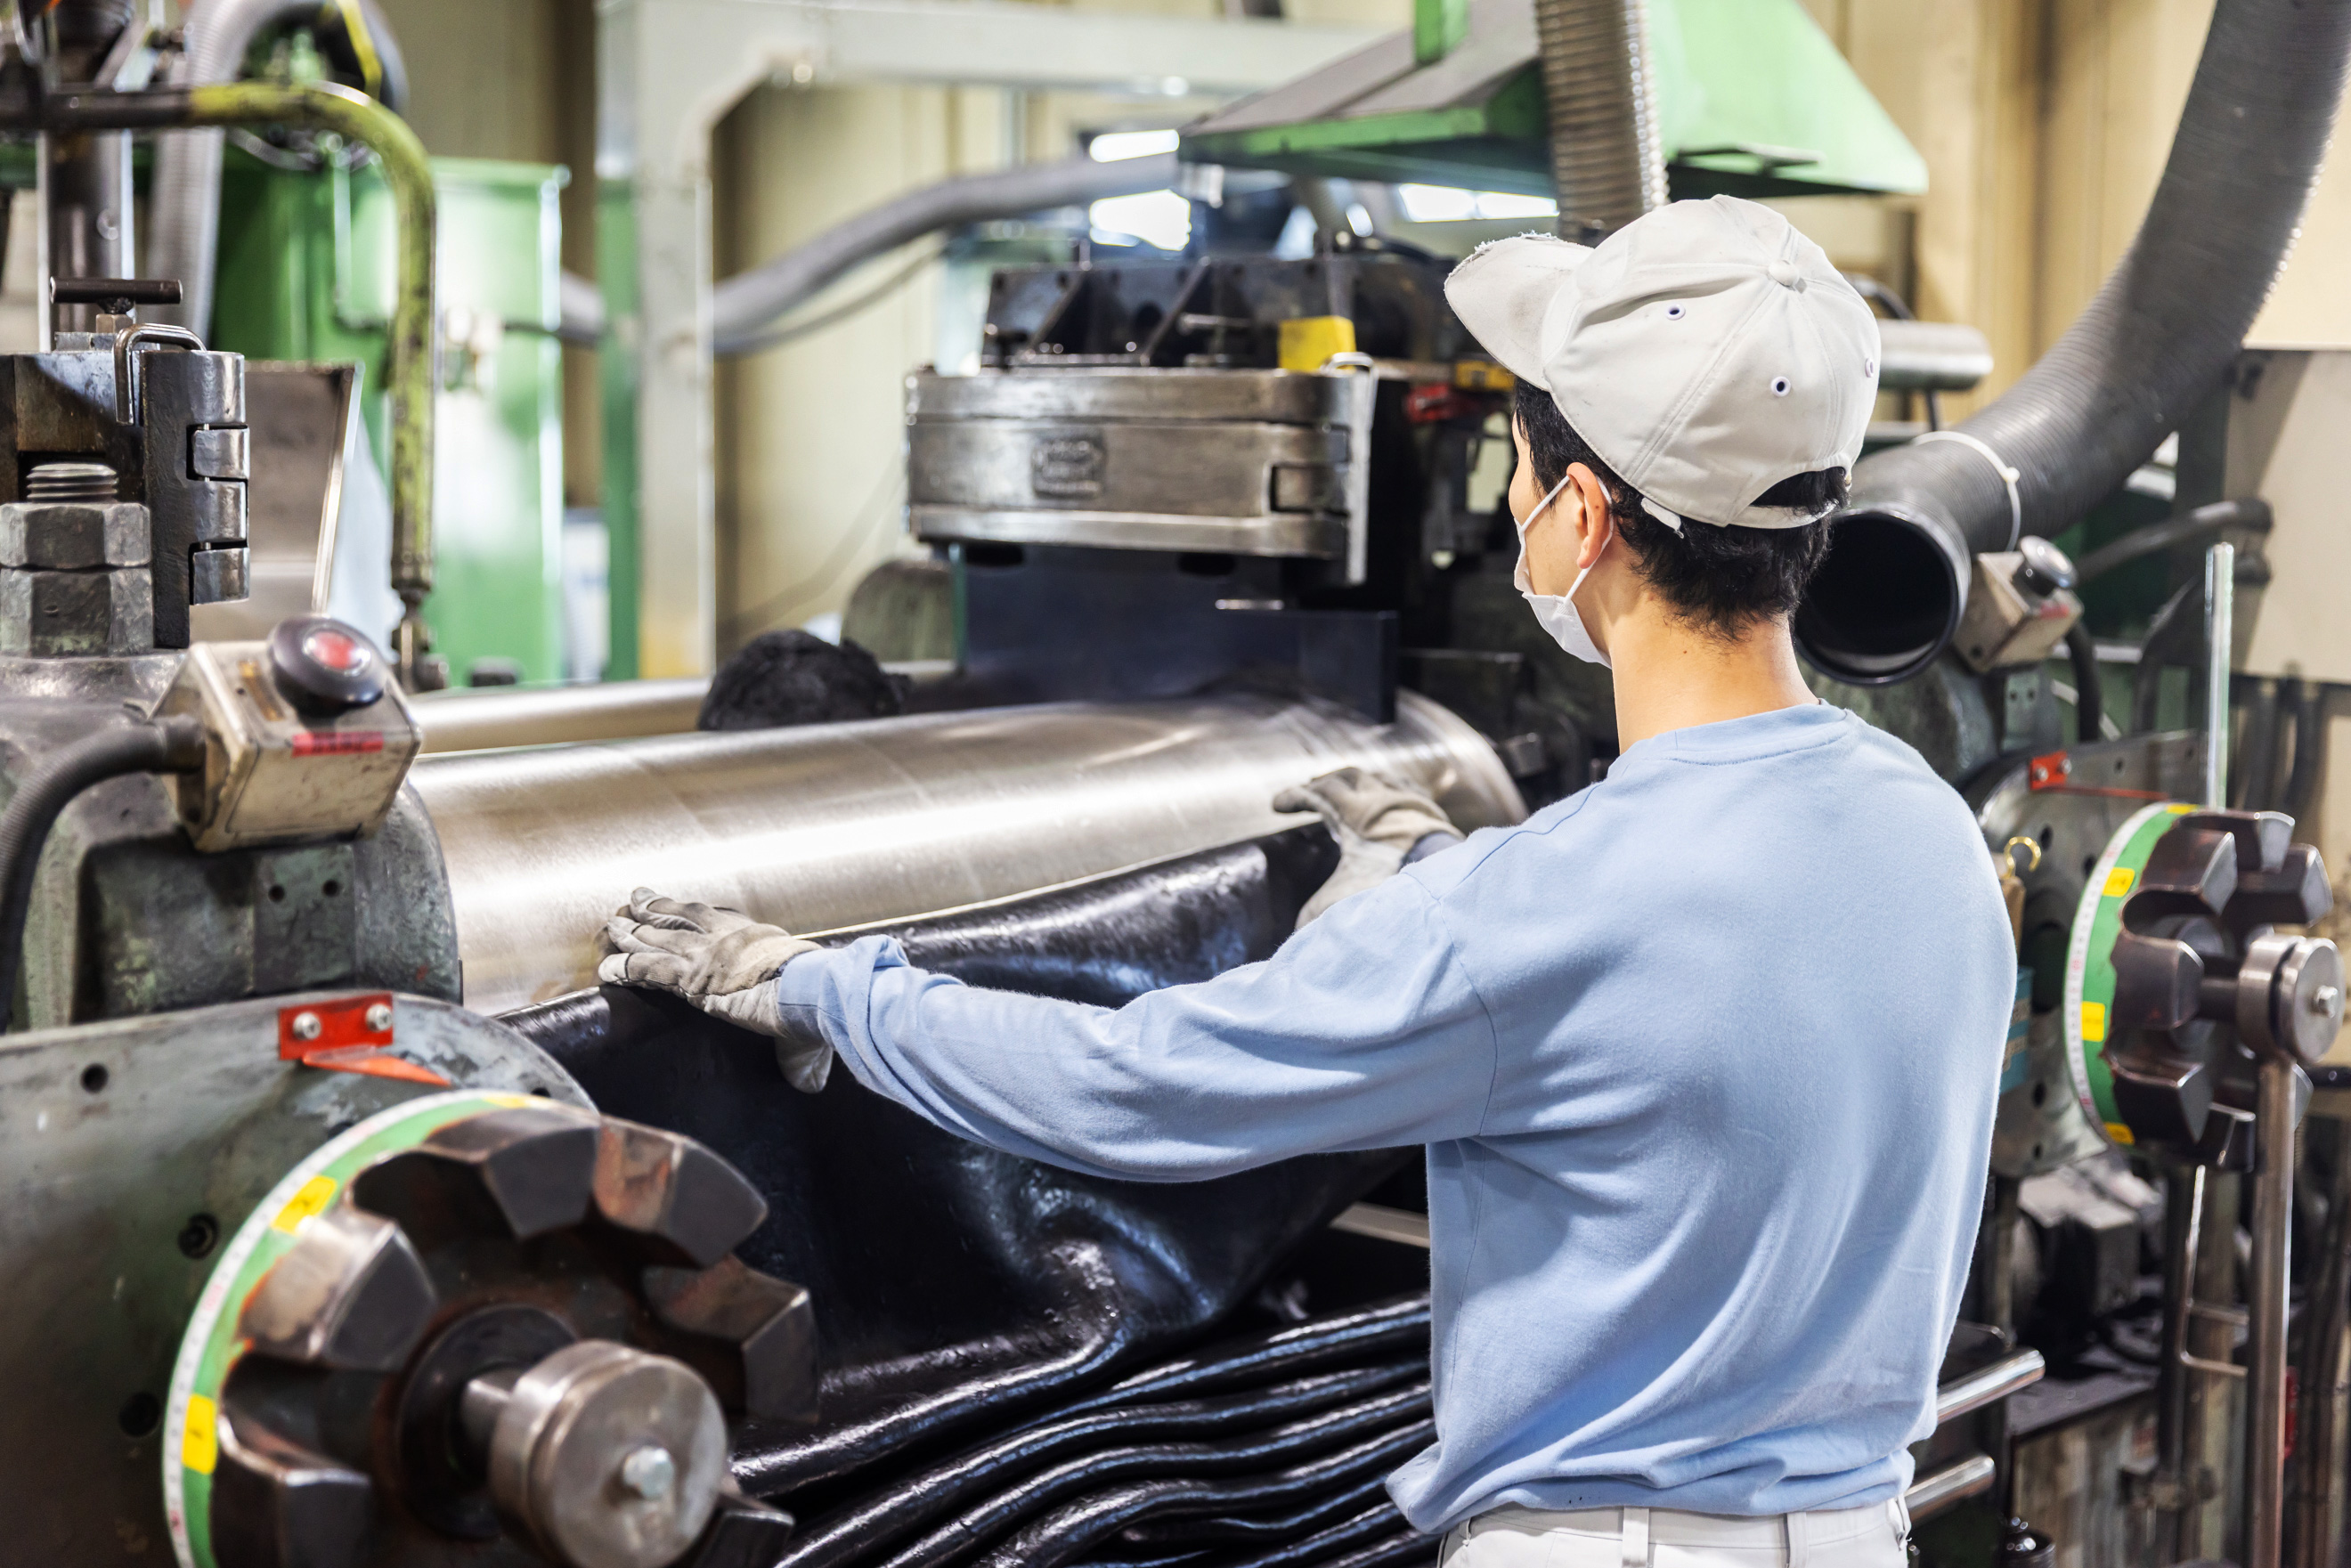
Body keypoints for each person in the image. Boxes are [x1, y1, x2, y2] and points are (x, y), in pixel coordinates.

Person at [599, 196, 2016, 1568]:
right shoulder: (1933, 835)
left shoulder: (1531, 921)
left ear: (1581, 517)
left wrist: (820, 987)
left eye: (1514, 474)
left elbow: (1126, 1087)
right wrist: (1438, 865)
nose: (1511, 502)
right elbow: (1702, 1010)